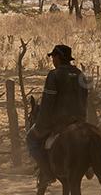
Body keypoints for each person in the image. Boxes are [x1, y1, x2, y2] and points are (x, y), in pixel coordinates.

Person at [28, 43, 88, 173]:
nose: (53, 60)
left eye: (53, 57)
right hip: (79, 121)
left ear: (58, 58)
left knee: (31, 139)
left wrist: (41, 124)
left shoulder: (54, 75)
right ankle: (88, 166)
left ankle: (46, 171)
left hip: (60, 122)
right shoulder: (80, 74)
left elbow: (47, 104)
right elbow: (84, 100)